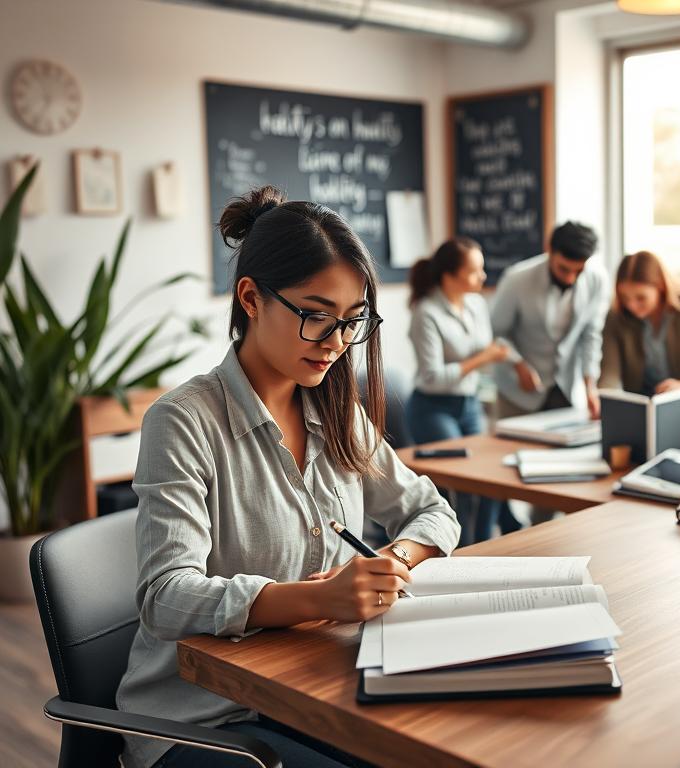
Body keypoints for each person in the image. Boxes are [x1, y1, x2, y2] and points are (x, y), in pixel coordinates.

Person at [116, 186, 460, 768]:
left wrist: (389, 565)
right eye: (316, 316)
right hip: (201, 717)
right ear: (251, 299)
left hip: (307, 690)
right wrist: (316, 598)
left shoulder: (333, 409)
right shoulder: (183, 421)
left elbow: (432, 511)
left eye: (353, 321)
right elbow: (166, 598)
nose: (336, 343)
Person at [405, 237, 510, 545]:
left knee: (489, 479)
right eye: (475, 271)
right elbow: (433, 377)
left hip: (469, 403)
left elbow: (485, 351)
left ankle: (483, 548)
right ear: (449, 275)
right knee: (463, 484)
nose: (483, 276)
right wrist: (482, 359)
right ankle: (461, 552)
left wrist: (508, 362)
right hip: (432, 407)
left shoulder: (477, 304)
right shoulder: (426, 313)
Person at [490, 221, 608, 422]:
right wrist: (518, 364)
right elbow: (495, 332)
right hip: (518, 393)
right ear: (549, 250)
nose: (570, 278)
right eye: (563, 269)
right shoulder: (516, 280)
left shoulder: (598, 280)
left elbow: (590, 335)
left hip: (565, 389)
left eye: (578, 271)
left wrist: (590, 384)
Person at [598, 250, 680, 401]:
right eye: (625, 297)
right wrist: (604, 399)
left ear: (661, 287)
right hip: (641, 408)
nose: (632, 305)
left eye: (641, 298)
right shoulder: (617, 316)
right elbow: (609, 373)